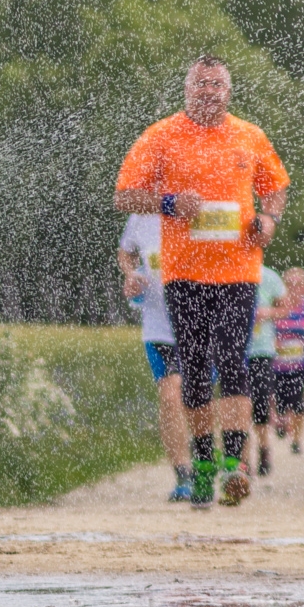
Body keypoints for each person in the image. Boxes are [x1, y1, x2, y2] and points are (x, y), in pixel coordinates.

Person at [114, 55, 290, 508]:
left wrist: (269, 220)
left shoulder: (249, 135)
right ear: (187, 90)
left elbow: (275, 188)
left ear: (228, 92)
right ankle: (204, 465)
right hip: (184, 274)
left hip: (238, 271)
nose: (209, 91)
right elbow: (124, 196)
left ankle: (235, 465)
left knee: (232, 361)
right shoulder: (161, 135)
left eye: (217, 84)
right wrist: (169, 203)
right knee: (193, 371)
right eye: (201, 84)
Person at [119, 213, 194, 501]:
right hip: (159, 328)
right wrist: (132, 275)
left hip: (201, 326)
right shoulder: (141, 215)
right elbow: (125, 252)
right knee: (170, 397)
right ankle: (183, 474)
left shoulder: (202, 203)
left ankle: (213, 459)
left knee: (198, 400)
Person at [272, 268, 304, 454]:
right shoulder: (276, 305)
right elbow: (267, 327)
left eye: (298, 284)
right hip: (277, 365)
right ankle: (281, 421)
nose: (294, 288)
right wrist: (273, 342)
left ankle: (296, 440)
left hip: (300, 363)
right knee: (279, 402)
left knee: (298, 403)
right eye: (290, 284)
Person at [247, 264, 285, 476]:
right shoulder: (226, 271)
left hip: (261, 350)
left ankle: (263, 448)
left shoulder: (269, 276)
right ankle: (242, 459)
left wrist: (268, 312)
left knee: (260, 403)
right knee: (238, 402)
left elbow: (284, 308)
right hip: (233, 350)